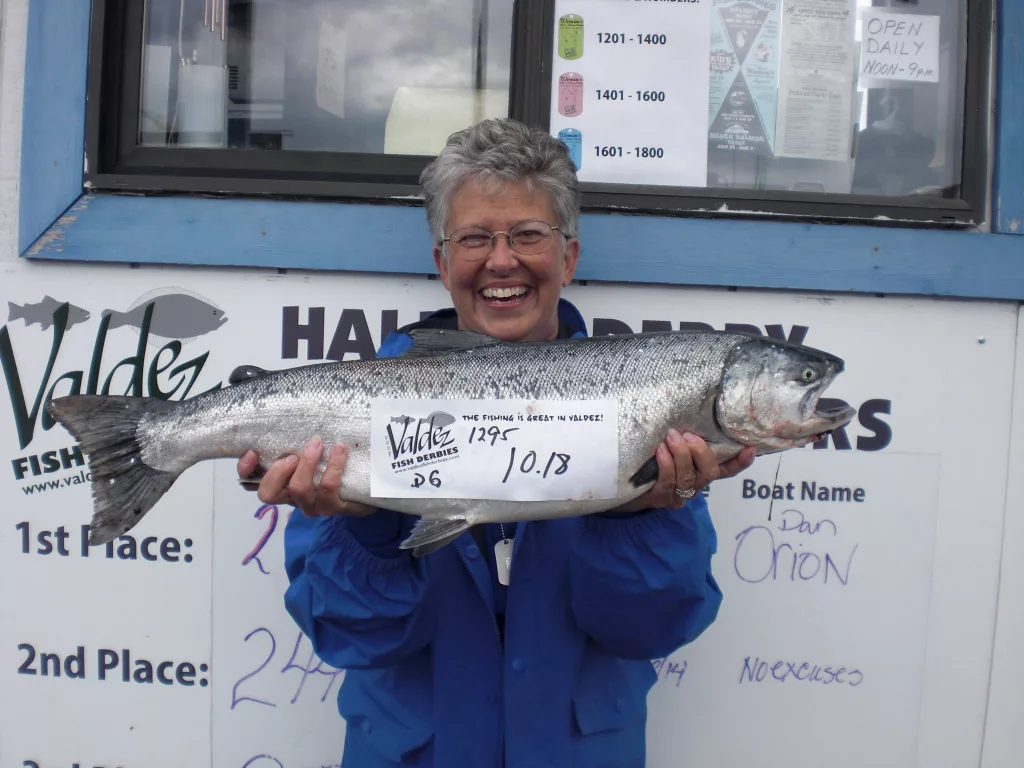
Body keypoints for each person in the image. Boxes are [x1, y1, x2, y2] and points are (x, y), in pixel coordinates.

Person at [237, 118, 755, 767]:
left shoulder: (637, 417)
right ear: (442, 261)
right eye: (475, 237)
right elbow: (349, 636)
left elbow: (654, 627)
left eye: (528, 235)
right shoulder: (360, 415)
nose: (502, 260)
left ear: (567, 257)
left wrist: (633, 515)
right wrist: (368, 527)